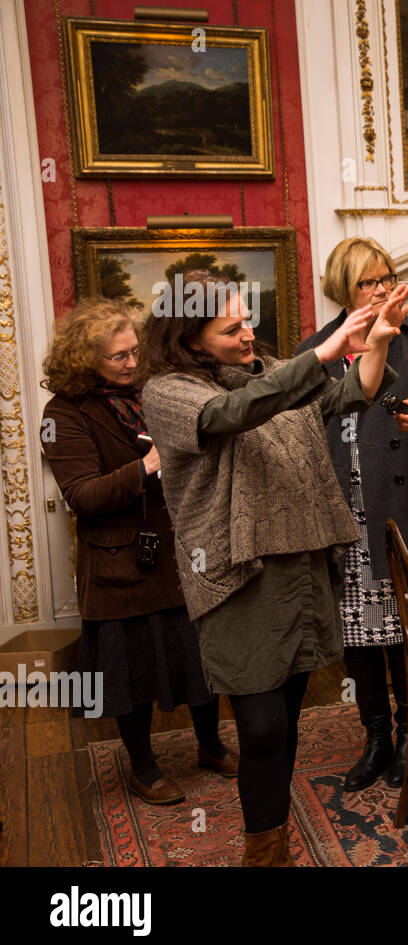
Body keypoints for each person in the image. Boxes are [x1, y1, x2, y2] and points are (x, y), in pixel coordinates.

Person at [140, 268, 402, 865]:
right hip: (238, 574)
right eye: (231, 328)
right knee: (258, 727)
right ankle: (262, 853)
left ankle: (273, 834)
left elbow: (346, 396)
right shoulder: (170, 393)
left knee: (283, 721)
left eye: (248, 320)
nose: (248, 334)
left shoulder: (269, 373)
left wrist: (378, 340)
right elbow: (230, 415)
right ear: (189, 338)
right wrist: (325, 353)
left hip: (302, 562)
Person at [40, 298, 236, 805]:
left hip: (181, 552)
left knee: (199, 659)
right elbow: (82, 495)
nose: (131, 364)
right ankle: (143, 767)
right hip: (118, 566)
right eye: (118, 357)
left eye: (134, 352)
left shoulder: (153, 392)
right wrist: (149, 464)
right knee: (133, 671)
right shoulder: (62, 414)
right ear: (85, 360)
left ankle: (211, 746)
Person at [297, 238, 408, 792]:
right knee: (357, 639)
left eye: (388, 277)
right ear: (344, 287)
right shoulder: (317, 350)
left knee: (405, 637)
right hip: (342, 519)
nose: (383, 288)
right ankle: (376, 739)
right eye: (370, 281)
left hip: (403, 514)